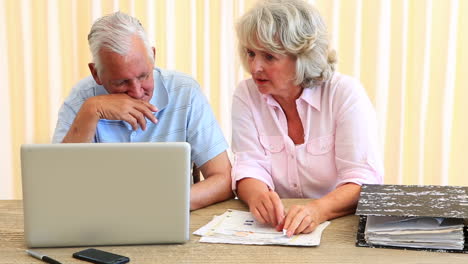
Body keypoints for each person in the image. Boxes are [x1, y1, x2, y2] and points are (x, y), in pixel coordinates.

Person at [231, 0, 383, 237]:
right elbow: (249, 165)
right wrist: (257, 195)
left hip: (339, 228)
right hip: (279, 230)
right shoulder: (246, 94)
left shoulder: (344, 93)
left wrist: (318, 210)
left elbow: (362, 179)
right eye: (251, 53)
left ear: (302, 58)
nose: (255, 67)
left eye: (269, 57)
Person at [52, 12, 233, 210]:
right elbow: (57, 187)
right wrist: (92, 110)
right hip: (98, 220)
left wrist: (162, 204)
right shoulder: (81, 99)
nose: (137, 92)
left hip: (168, 213)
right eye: (121, 82)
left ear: (153, 57)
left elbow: (223, 180)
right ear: (96, 73)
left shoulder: (185, 92)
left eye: (144, 76)